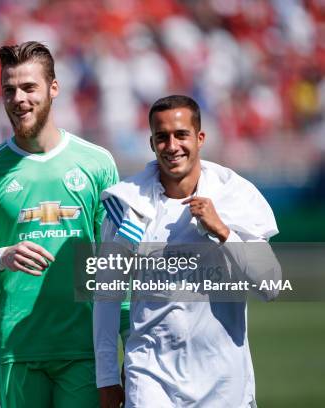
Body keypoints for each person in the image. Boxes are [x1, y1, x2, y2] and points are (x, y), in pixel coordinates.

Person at [0, 41, 120, 407]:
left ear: (53, 88)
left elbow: (113, 262)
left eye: (29, 87)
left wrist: (126, 341)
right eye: (9, 89)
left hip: (84, 350)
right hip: (15, 351)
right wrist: (1, 257)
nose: (18, 98)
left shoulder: (97, 164)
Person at [94, 95, 280, 407]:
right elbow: (106, 295)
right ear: (151, 143)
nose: (172, 146)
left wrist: (222, 231)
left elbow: (270, 286)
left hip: (224, 381)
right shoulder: (128, 205)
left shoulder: (234, 195)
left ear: (200, 138)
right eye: (162, 137)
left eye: (181, 135)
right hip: (150, 375)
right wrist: (107, 378)